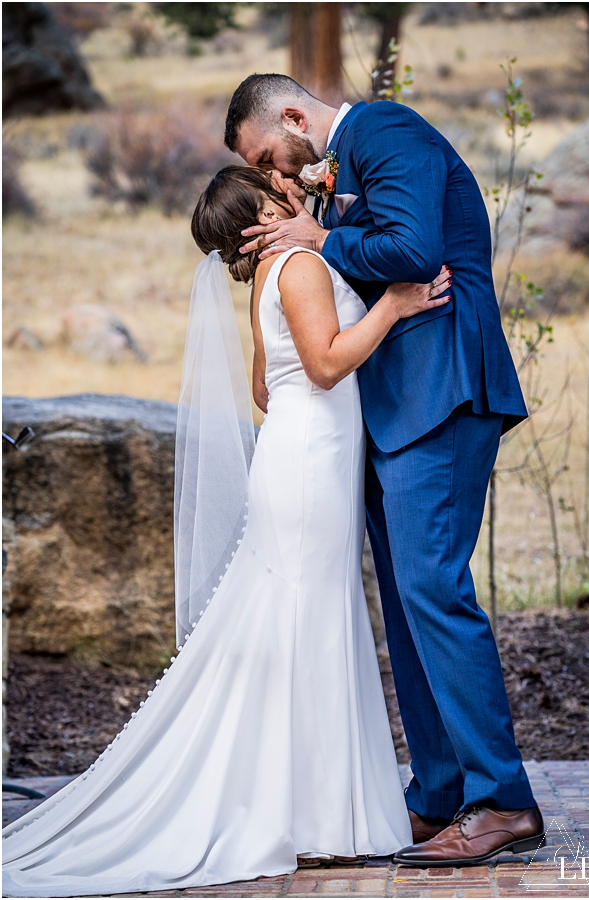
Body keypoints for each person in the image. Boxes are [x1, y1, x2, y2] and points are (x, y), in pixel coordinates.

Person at [3, 167, 451, 895]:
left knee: (300, 621)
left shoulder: (272, 273)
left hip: (299, 453)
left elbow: (263, 387)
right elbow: (327, 364)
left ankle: (310, 811)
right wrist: (395, 306)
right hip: (313, 461)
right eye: (273, 186)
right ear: (264, 212)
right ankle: (313, 819)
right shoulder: (301, 264)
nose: (288, 183)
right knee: (308, 622)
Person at [223, 74, 543, 866]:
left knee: (433, 586)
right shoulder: (332, 180)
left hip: (443, 388)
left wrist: (319, 238)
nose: (277, 174)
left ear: (296, 117)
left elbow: (412, 250)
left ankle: (502, 799)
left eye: (271, 153)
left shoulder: (387, 131)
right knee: (407, 602)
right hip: (390, 407)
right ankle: (437, 793)